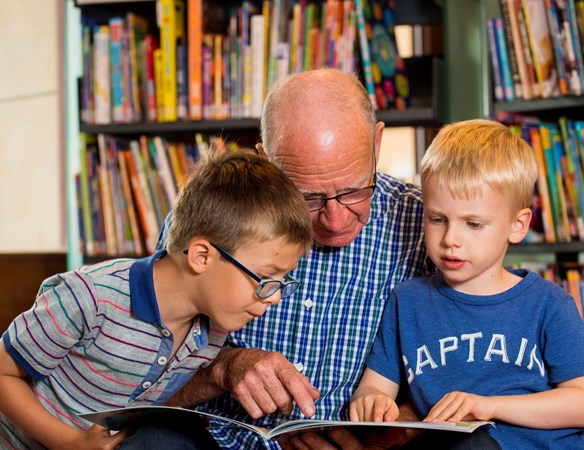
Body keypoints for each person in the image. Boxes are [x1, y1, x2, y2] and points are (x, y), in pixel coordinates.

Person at [155, 69, 433, 449]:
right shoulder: (208, 220)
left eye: (354, 191)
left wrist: (396, 430)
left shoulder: (431, 229)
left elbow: (466, 372)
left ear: (377, 142)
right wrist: (226, 368)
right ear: (266, 160)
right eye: (308, 198)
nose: (335, 221)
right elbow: (143, 372)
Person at [0, 148, 313, 449]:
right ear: (201, 257)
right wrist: (71, 443)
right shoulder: (91, 296)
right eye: (266, 279)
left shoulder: (211, 332)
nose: (276, 297)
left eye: (284, 281)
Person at [349, 119, 584, 449]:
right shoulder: (407, 301)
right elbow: (375, 387)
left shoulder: (548, 303)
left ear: (517, 225)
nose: (451, 239)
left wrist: (488, 406)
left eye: (473, 224)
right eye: (437, 219)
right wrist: (372, 402)